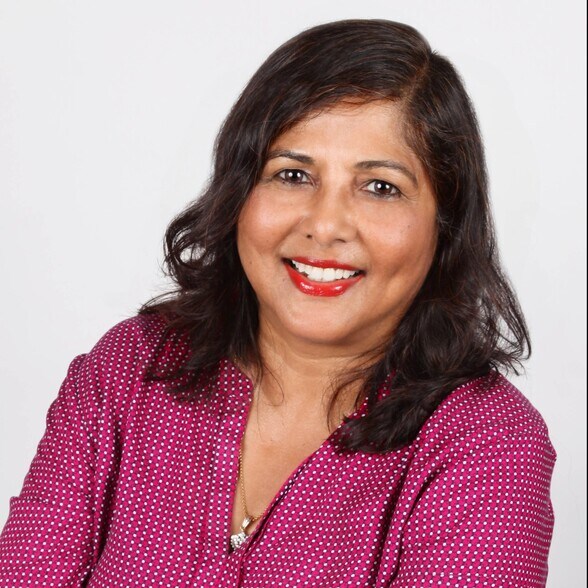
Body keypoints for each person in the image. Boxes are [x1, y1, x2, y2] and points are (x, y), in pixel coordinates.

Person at [0, 19, 555, 587]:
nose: (325, 224)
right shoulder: (130, 368)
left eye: (380, 187)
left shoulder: (488, 446)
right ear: (238, 192)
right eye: (292, 175)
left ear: (446, 223)